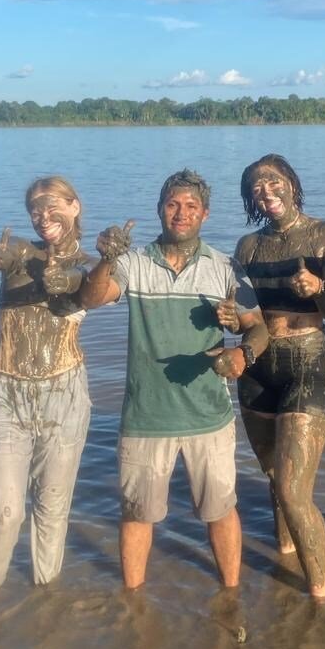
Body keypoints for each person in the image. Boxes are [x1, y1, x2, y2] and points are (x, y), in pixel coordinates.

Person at [79, 170, 268, 590]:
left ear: (205, 213)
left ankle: (232, 595)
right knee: (136, 514)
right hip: (146, 416)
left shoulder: (225, 267)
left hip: (210, 416)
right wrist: (106, 258)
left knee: (220, 511)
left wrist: (242, 352)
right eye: (172, 205)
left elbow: (259, 329)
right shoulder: (133, 263)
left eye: (190, 207)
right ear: (159, 209)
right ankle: (134, 605)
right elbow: (88, 299)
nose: (180, 214)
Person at [0, 177, 92, 610]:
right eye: (35, 209)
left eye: (52, 206)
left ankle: (46, 601)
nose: (43, 216)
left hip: (65, 394)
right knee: (7, 514)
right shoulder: (20, 253)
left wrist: (69, 279)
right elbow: (9, 253)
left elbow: (88, 287)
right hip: (6, 394)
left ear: (75, 206)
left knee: (52, 509)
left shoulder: (91, 266)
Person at [230, 155, 325, 598]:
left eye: (273, 182)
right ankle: (282, 556)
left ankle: (320, 595)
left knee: (293, 488)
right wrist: (227, 318)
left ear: (292, 184)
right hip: (260, 368)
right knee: (272, 475)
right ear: (250, 199)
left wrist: (319, 290)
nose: (266, 192)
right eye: (257, 188)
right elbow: (245, 317)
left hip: (307, 362)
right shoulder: (248, 247)